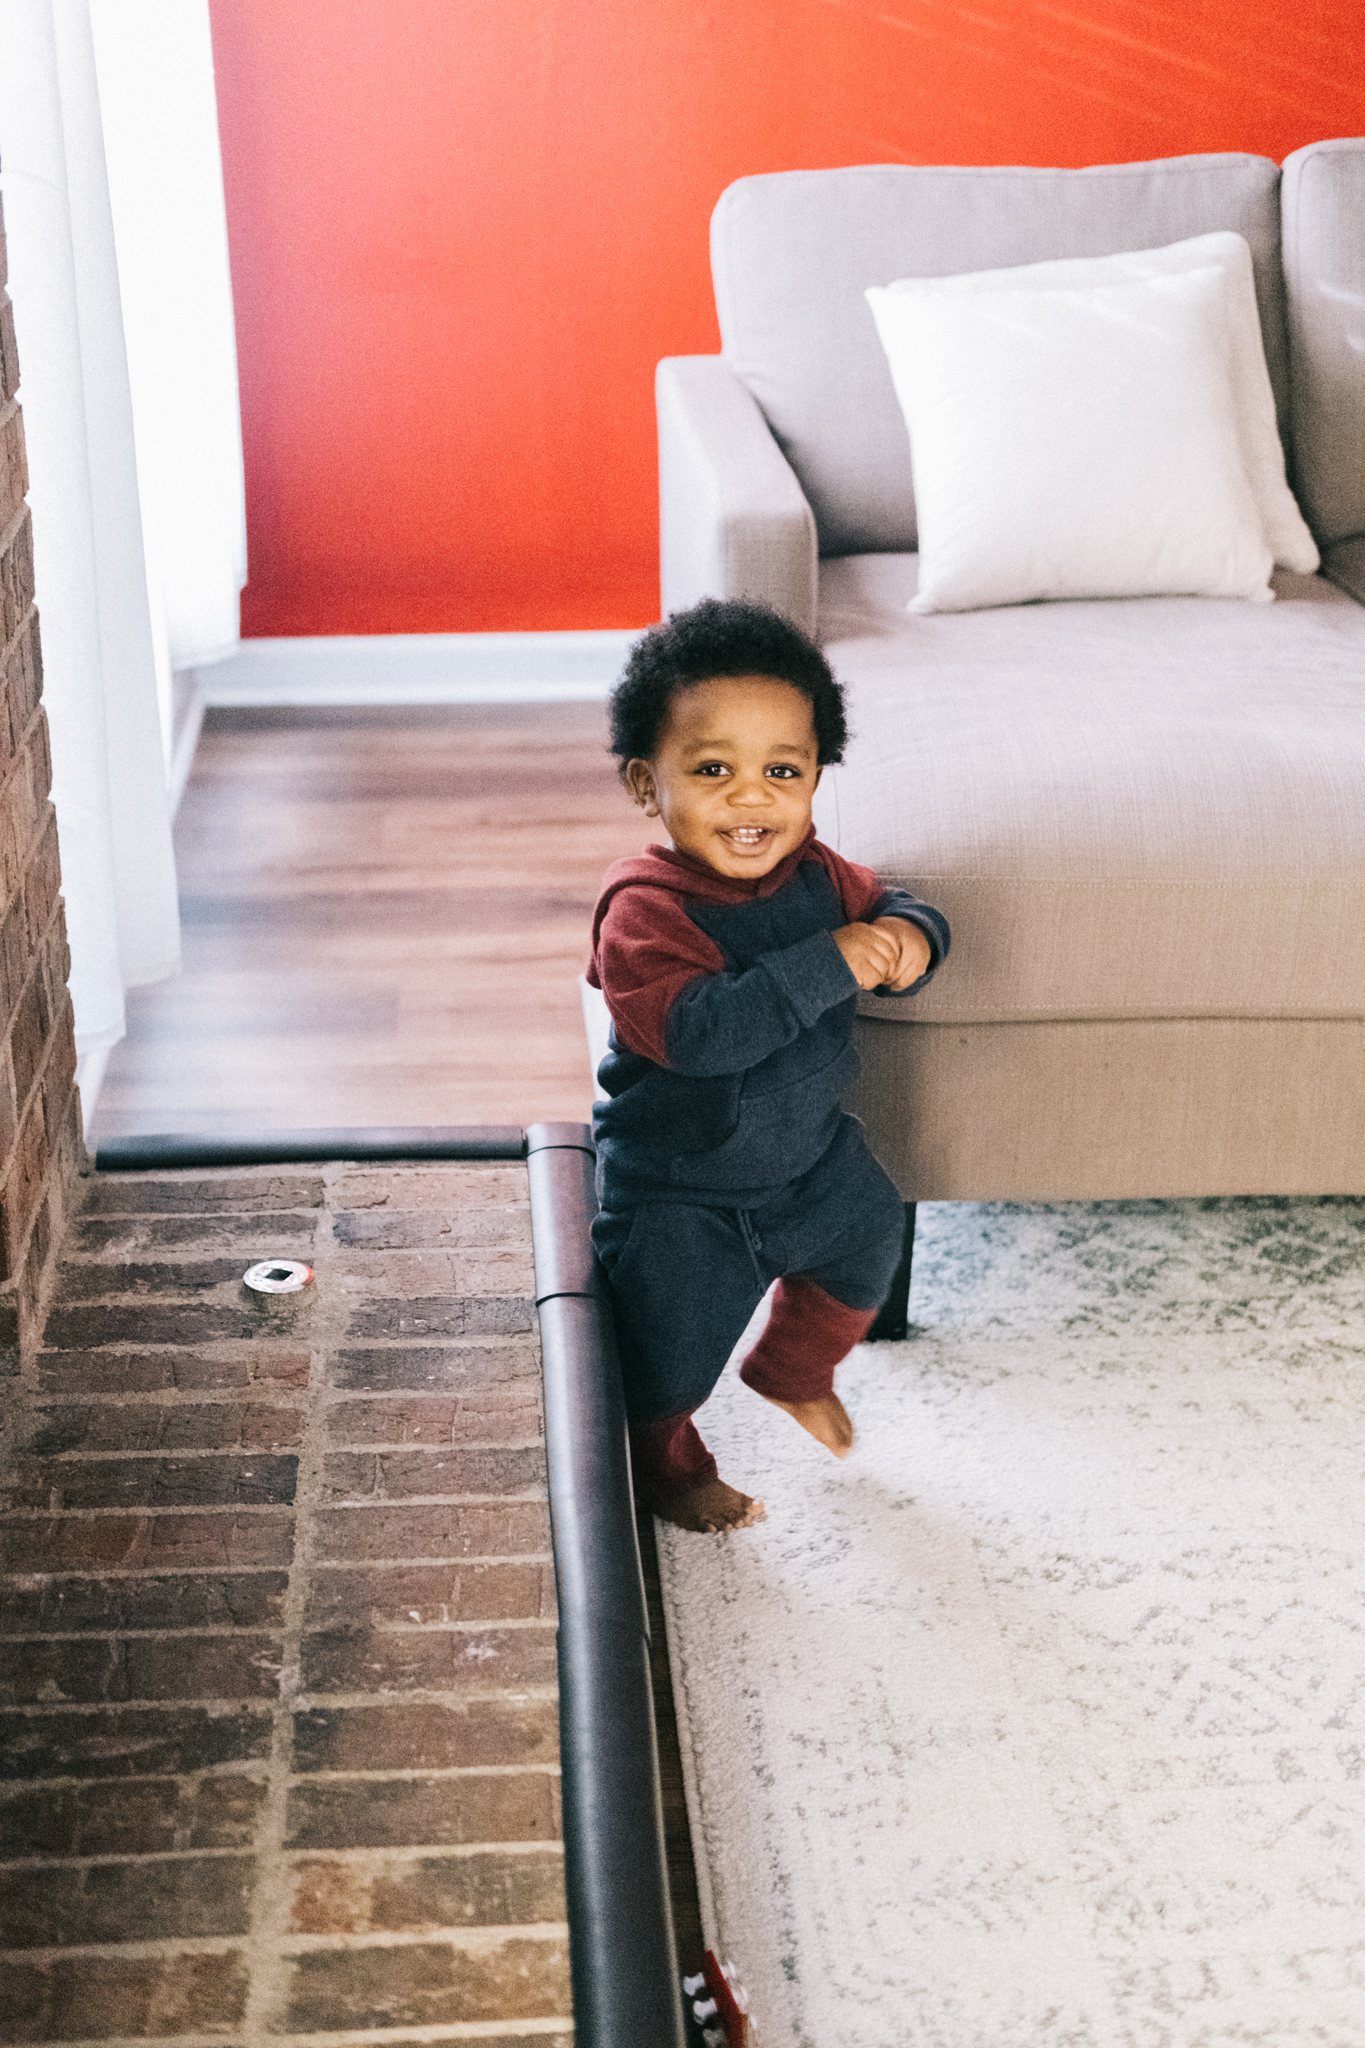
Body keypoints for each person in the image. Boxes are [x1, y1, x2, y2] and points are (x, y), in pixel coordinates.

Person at [588, 598, 949, 1533]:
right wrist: (830, 960)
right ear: (646, 783)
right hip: (681, 1190)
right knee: (663, 1359)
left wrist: (910, 936)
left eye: (781, 771)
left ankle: (792, 1368)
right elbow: (700, 1037)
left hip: (807, 1160)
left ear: (816, 776)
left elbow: (894, 904)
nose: (751, 798)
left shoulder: (818, 875)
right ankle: (666, 1468)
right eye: (713, 770)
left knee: (871, 1235)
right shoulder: (643, 912)